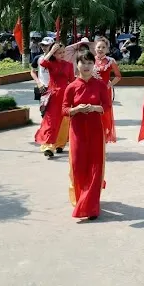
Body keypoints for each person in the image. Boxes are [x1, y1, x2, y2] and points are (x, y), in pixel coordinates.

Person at [62, 46, 111, 221]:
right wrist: (75, 109)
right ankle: (81, 198)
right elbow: (64, 109)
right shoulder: (72, 87)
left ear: (94, 65)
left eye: (90, 63)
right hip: (77, 132)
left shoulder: (100, 86)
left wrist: (97, 108)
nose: (87, 66)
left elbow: (107, 106)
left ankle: (91, 206)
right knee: (78, 165)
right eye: (83, 63)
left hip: (95, 131)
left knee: (95, 166)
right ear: (77, 64)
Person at [34, 42, 74, 158]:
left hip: (65, 95)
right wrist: (50, 52)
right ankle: (48, 146)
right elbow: (42, 63)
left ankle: (60, 144)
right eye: (59, 53)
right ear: (54, 53)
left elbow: (71, 82)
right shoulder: (51, 63)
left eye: (63, 52)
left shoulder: (69, 65)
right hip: (53, 95)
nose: (62, 54)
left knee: (64, 120)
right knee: (51, 120)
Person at [93, 37, 121, 143]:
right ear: (95, 48)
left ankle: (103, 137)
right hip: (92, 90)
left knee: (104, 113)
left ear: (107, 49)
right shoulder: (90, 60)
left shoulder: (110, 61)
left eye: (103, 47)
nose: (100, 49)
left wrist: (110, 84)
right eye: (99, 47)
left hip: (105, 91)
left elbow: (118, 76)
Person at [30, 37, 54, 115]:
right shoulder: (38, 58)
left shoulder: (57, 59)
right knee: (43, 112)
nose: (43, 47)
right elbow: (32, 71)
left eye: (46, 45)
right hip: (43, 88)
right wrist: (38, 83)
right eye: (42, 45)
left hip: (54, 88)